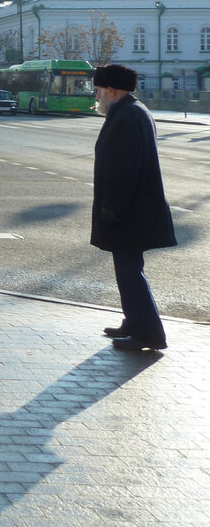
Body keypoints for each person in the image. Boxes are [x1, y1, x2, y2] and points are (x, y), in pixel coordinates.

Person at [91, 64, 176, 352]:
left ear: (112, 90)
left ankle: (149, 333)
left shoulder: (127, 115)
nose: (97, 95)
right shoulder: (130, 110)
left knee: (129, 272)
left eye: (100, 90)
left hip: (128, 212)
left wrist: (112, 208)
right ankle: (134, 321)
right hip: (132, 210)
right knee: (128, 269)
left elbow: (125, 170)